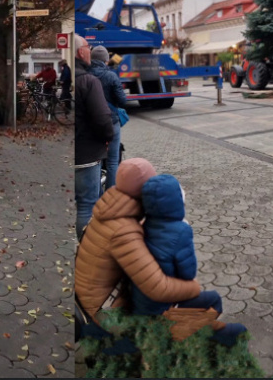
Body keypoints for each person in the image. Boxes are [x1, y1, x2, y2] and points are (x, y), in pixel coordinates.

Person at [75, 159, 202, 338]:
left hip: (86, 294)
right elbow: (156, 287)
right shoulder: (124, 230)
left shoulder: (112, 206)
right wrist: (193, 288)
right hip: (103, 309)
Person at [132, 174, 247, 347]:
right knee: (213, 300)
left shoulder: (143, 226)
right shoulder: (180, 231)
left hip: (141, 305)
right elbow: (188, 274)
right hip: (161, 310)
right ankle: (183, 336)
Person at [74, 34, 114, 240]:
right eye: (88, 47)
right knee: (86, 207)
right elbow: (101, 118)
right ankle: (85, 251)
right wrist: (108, 136)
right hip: (87, 156)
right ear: (81, 52)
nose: (89, 50)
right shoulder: (89, 82)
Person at [89, 45, 128, 190]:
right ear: (106, 60)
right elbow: (123, 101)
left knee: (96, 160)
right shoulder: (111, 76)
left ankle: (96, 194)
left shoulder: (85, 74)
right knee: (112, 161)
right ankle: (111, 193)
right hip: (111, 122)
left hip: (91, 123)